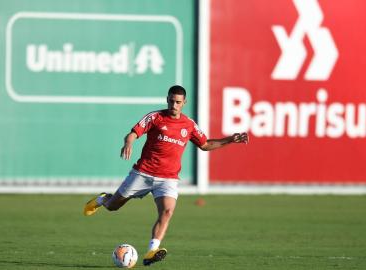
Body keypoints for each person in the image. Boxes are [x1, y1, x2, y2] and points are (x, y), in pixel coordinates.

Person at [84, 85, 248, 266]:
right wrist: (128, 143)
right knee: (113, 206)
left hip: (168, 179)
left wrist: (231, 140)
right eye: (171, 101)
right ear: (167, 99)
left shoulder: (189, 125)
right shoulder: (155, 117)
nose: (174, 105)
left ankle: (152, 250)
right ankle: (101, 200)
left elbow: (205, 144)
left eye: (178, 102)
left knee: (167, 211)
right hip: (143, 173)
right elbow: (133, 133)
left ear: (184, 103)